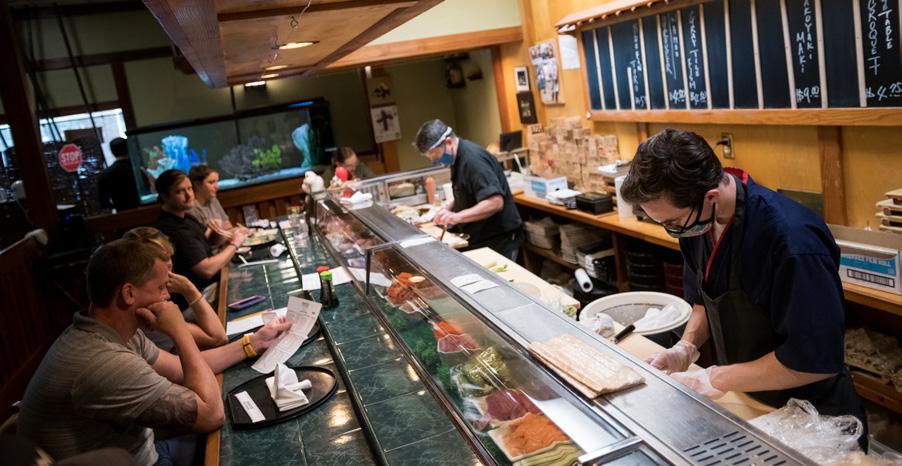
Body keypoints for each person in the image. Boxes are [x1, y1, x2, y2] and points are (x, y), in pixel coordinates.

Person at [619, 128, 868, 449]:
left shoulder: (793, 243)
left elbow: (814, 360)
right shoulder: (697, 222)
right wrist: (685, 349)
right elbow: (704, 298)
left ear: (710, 196)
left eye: (673, 223)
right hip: (749, 399)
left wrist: (713, 378)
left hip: (815, 416)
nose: (672, 231)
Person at [16, 239, 292, 465]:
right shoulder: (103, 362)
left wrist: (252, 343)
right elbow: (211, 415)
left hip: (146, 448)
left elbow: (179, 368)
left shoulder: (116, 333)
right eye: (160, 288)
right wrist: (180, 331)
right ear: (129, 294)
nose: (167, 297)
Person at [414, 119, 524, 260]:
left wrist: (456, 217)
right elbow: (467, 190)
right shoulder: (457, 157)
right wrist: (448, 208)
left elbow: (495, 202)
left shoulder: (473, 160)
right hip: (481, 236)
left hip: (500, 239)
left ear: (448, 142)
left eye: (435, 156)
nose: (434, 161)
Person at [123, 226, 228, 351]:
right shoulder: (150, 307)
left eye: (168, 256)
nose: (169, 264)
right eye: (161, 259)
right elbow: (218, 338)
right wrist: (190, 290)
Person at [154, 169, 247, 297]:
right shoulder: (174, 229)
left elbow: (210, 242)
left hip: (213, 283)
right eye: (180, 191)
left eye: (189, 188)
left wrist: (217, 230)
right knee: (247, 279)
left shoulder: (185, 216)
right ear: (165, 196)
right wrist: (235, 244)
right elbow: (206, 270)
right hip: (199, 294)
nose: (189, 195)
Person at [186, 165, 246, 245]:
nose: (216, 186)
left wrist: (237, 231)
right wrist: (234, 232)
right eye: (211, 182)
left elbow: (228, 226)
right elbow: (207, 242)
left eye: (217, 181)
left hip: (225, 246)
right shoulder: (192, 209)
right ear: (197, 184)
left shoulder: (213, 200)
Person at [98, 137, 141, 211]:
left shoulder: (105, 174)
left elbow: (104, 203)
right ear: (128, 148)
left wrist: (118, 205)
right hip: (145, 211)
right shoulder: (138, 169)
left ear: (112, 152)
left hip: (122, 213)